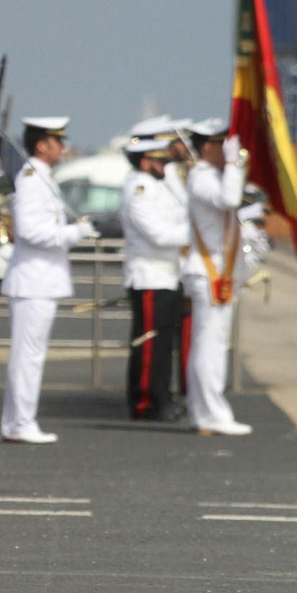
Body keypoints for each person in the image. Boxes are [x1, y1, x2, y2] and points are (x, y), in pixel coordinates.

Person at [0, 116, 98, 444]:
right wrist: (74, 232)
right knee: (27, 356)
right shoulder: (31, 178)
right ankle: (19, 423)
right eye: (58, 141)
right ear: (42, 145)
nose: (63, 147)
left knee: (32, 355)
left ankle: (21, 421)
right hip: (32, 280)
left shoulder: (42, 177)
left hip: (41, 279)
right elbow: (28, 231)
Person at [182, 119, 252, 437]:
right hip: (210, 272)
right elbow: (229, 200)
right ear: (208, 147)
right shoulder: (202, 177)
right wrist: (236, 162)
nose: (228, 150)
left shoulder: (213, 176)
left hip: (217, 271)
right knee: (210, 346)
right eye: (223, 144)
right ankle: (212, 413)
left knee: (208, 344)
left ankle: (203, 412)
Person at [119, 137, 188, 422]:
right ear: (146, 162)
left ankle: (161, 396)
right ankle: (146, 402)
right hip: (149, 277)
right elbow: (158, 235)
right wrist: (198, 234)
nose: (166, 166)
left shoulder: (155, 186)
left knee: (162, 346)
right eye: (161, 161)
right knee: (149, 346)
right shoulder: (139, 189)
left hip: (167, 275)